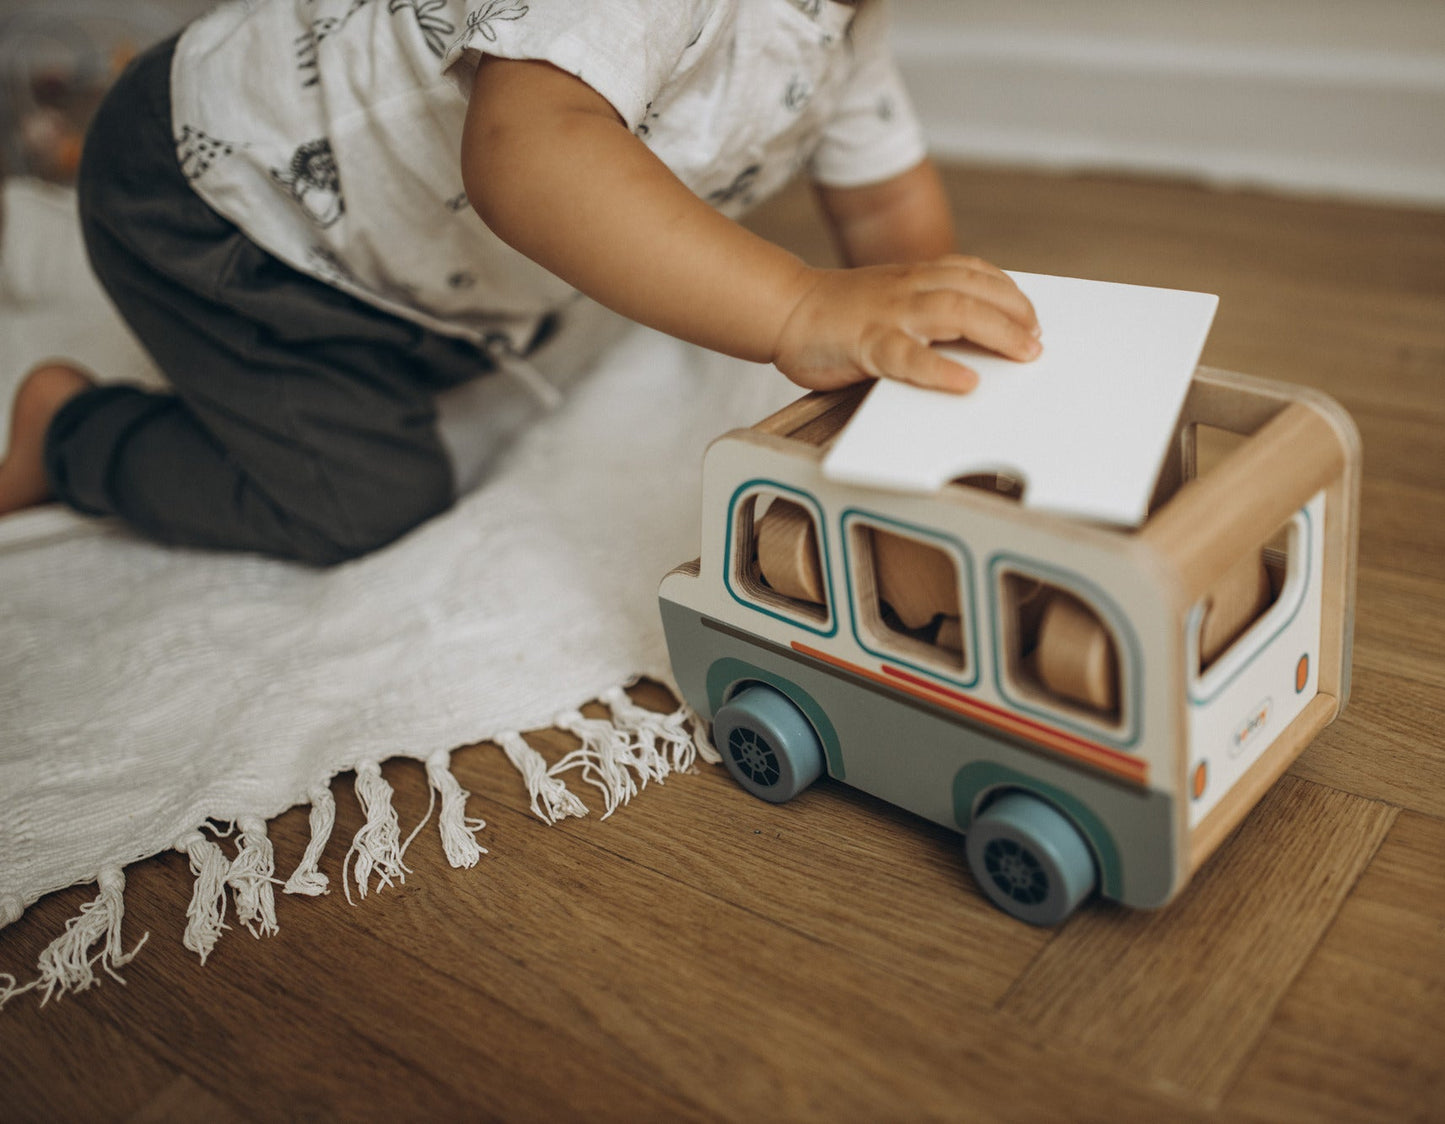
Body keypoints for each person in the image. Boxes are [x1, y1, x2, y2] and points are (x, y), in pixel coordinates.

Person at [0, 0, 1040, 564]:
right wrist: (801, 305)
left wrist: (928, 345)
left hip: (392, 268)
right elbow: (527, 152)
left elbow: (883, 204)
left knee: (447, 364)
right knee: (362, 501)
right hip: (219, 206)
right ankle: (72, 436)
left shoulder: (846, 28)